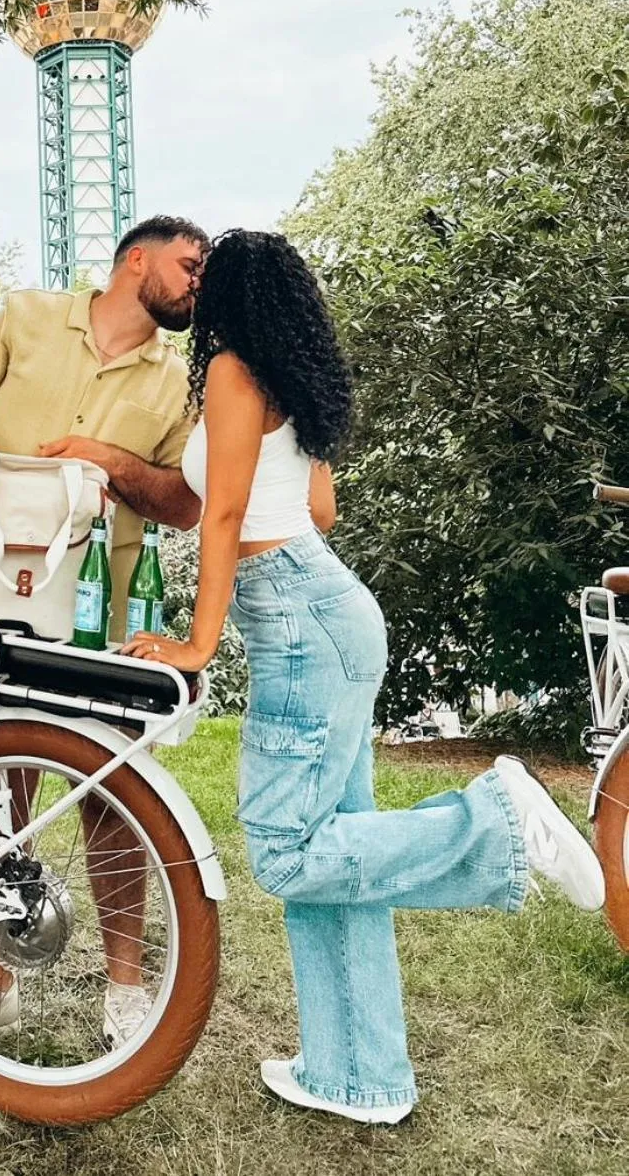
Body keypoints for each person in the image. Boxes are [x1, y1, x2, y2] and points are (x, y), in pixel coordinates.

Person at [124, 228, 605, 1125]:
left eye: (206, 279)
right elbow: (322, 507)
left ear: (231, 298)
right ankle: (360, 1077)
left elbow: (223, 513)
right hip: (324, 606)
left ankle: (495, 820)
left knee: (287, 852)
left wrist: (198, 644)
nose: (195, 293)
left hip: (299, 619)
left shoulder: (231, 370)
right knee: (340, 854)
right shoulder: (291, 381)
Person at [0, 213, 208, 1045]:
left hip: (103, 617)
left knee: (115, 799)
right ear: (136, 261)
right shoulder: (29, 316)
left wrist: (110, 461)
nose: (200, 284)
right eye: (190, 266)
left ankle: (125, 993)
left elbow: (184, 506)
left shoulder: (180, 382)